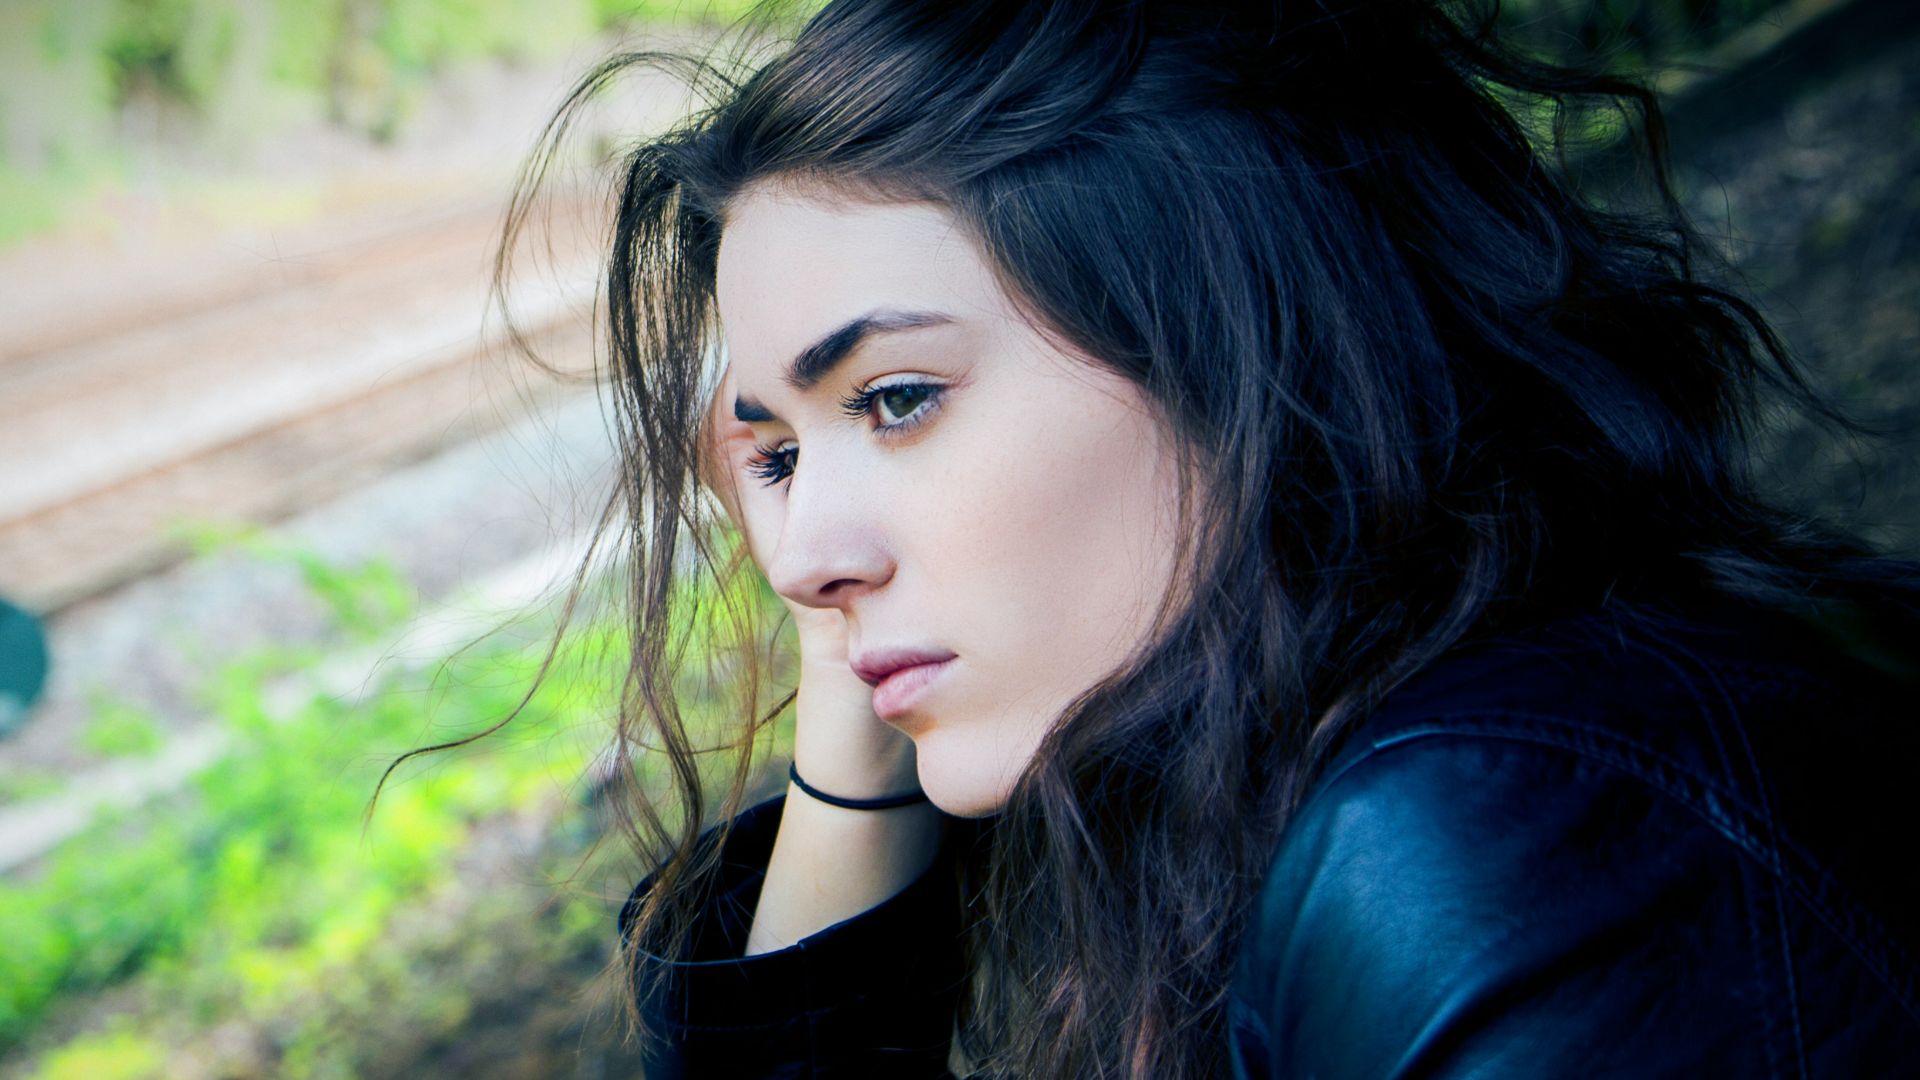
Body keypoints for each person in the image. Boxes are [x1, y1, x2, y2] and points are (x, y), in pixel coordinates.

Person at [491, 0, 1920, 1074]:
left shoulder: (1499, 846)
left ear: (1229, 339)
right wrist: (857, 710)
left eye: (900, 398)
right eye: (782, 453)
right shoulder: (1366, 759)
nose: (800, 558)